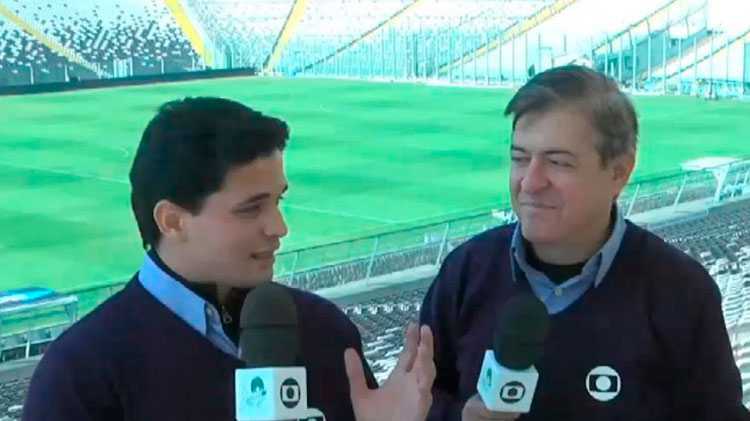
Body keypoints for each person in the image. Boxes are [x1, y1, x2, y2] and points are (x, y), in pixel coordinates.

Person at [24, 97, 435, 421]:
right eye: (251, 208)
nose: (279, 227)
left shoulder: (326, 330)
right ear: (172, 220)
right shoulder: (80, 375)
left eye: (278, 201)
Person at [420, 65, 749, 420]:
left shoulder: (681, 291)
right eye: (520, 158)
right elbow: (415, 400)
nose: (530, 182)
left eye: (557, 162)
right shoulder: (466, 271)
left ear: (619, 172)